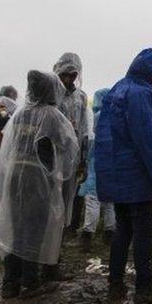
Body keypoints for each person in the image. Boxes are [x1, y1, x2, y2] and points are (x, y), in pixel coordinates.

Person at [0, 71, 79, 298]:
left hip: (15, 177)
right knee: (35, 229)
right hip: (38, 180)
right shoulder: (52, 116)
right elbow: (69, 149)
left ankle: (10, 283)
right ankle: (30, 281)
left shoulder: (19, 114)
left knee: (15, 228)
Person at [93, 48, 152, 304]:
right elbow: (145, 139)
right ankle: (144, 287)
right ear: (149, 73)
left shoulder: (119, 89)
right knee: (143, 233)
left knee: (122, 229)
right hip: (137, 175)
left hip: (118, 173)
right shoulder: (139, 94)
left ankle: (115, 284)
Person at [53, 52, 92, 234]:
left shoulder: (80, 97)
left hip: (72, 153)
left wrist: (83, 159)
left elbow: (84, 128)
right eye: (65, 74)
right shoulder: (51, 93)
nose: (69, 79)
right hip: (53, 151)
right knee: (51, 194)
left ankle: (63, 230)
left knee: (68, 195)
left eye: (73, 75)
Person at [78, 88, 115, 252]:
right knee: (110, 202)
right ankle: (110, 233)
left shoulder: (98, 117)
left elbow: (91, 141)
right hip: (113, 164)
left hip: (97, 163)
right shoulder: (117, 116)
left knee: (93, 199)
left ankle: (87, 235)